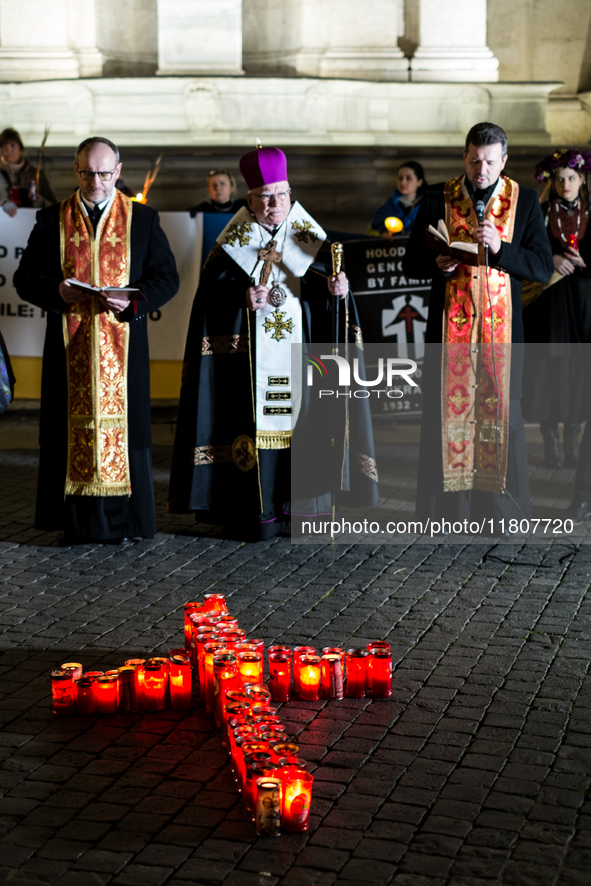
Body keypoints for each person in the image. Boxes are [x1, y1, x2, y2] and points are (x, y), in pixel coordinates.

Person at [169, 146, 379, 540]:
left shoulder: (307, 237)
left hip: (301, 361)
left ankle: (301, 511)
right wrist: (239, 298)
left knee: (306, 429)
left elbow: (328, 297)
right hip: (247, 367)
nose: (274, 205)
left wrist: (338, 292)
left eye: (281, 195)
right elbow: (209, 299)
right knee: (251, 429)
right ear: (249, 200)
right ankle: (257, 514)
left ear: (290, 194)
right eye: (265, 197)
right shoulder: (232, 244)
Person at [14, 136, 179, 543]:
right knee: (68, 433)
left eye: (105, 173)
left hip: (124, 353)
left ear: (118, 171)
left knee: (127, 434)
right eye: (88, 173)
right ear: (77, 170)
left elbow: (166, 279)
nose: (97, 182)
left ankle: (129, 523)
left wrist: (133, 301)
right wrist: (57, 291)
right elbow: (24, 280)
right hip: (68, 353)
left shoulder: (142, 219)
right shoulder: (51, 219)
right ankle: (73, 524)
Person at [403, 122, 554, 527]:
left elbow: (541, 266)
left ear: (503, 161)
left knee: (501, 417)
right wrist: (436, 263)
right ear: (464, 158)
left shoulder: (524, 201)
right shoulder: (439, 196)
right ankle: (449, 515)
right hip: (450, 334)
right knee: (447, 417)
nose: (480, 170)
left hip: (501, 337)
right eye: (473, 161)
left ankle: (502, 515)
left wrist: (501, 249)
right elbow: (410, 262)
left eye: (489, 162)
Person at [522, 148, 591, 470]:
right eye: (560, 178)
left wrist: (584, 262)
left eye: (572, 178)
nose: (566, 184)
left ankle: (572, 439)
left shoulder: (590, 212)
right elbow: (528, 250)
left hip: (583, 301)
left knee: (580, 369)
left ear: (582, 180)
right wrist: (554, 259)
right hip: (551, 302)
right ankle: (550, 439)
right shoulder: (540, 212)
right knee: (551, 368)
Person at [0, 128, 56, 216]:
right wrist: (2, 203)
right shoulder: (1, 175)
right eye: (3, 146)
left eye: (12, 145)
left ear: (21, 148)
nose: (8, 150)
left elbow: (54, 205)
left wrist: (42, 203)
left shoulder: (36, 174)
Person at [369, 161, 427, 237]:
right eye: (400, 178)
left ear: (419, 182)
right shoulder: (388, 206)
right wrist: (384, 233)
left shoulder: (428, 206)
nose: (403, 182)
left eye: (408, 178)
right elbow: (374, 228)